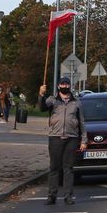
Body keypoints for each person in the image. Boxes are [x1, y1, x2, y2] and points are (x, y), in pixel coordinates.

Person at [39, 77, 87, 205]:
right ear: (58, 86)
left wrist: (84, 140)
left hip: (71, 138)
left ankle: (68, 196)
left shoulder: (76, 102)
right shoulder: (53, 100)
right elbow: (42, 108)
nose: (64, 86)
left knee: (68, 168)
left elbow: (81, 122)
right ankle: (51, 195)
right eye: (62, 84)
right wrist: (41, 94)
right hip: (55, 137)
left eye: (66, 84)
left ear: (69, 86)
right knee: (54, 168)